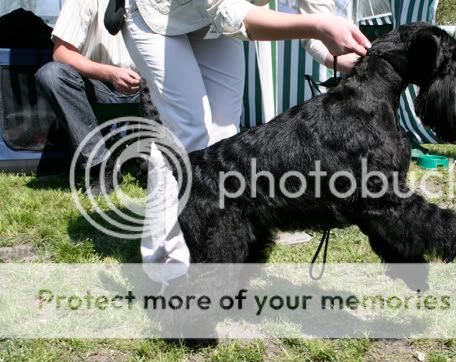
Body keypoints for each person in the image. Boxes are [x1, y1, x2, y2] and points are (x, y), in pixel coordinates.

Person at [118, 0, 370, 281]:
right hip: (158, 15)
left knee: (225, 140)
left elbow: (316, 12)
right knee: (190, 133)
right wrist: (318, 26)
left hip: (210, 22)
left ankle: (220, 250)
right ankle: (168, 261)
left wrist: (337, 57)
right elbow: (230, 13)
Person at [36, 0, 140, 195]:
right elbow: (61, 53)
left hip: (149, 88)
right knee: (51, 75)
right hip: (98, 86)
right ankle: (101, 166)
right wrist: (110, 73)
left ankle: (160, 161)